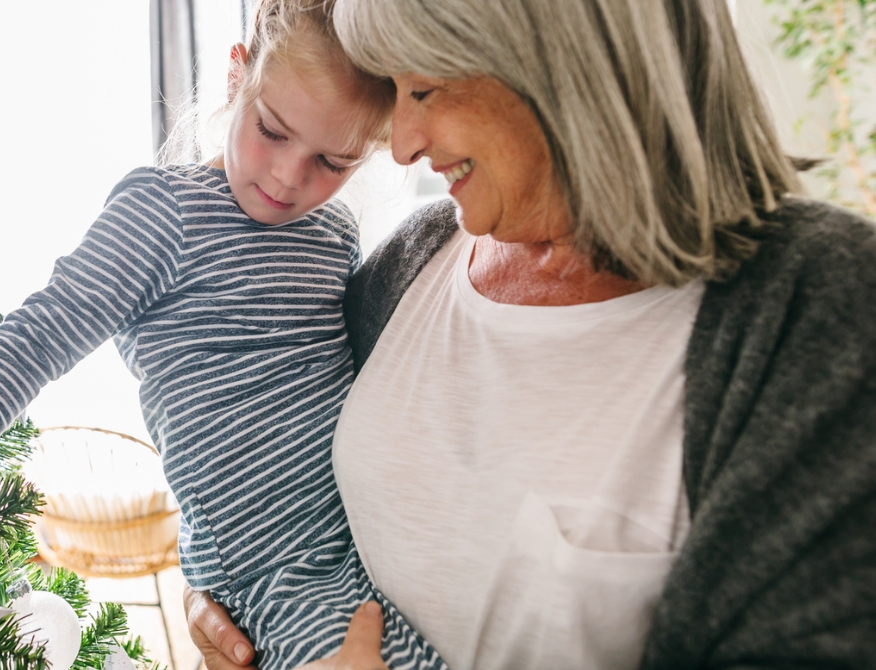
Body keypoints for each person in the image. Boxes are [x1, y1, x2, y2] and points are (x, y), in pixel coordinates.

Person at [185, 0, 876, 669]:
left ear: (565, 64)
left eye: (423, 88)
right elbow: (275, 469)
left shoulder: (820, 304)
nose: (400, 145)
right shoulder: (409, 263)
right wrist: (227, 599)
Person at [0, 2, 448, 669]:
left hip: (370, 541)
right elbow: (40, 333)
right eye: (271, 131)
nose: (287, 177)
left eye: (333, 162)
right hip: (269, 572)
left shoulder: (334, 234)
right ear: (236, 77)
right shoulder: (165, 212)